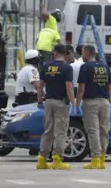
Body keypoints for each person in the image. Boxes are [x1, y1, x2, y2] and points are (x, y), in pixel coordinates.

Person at [36, 43, 76, 171]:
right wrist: (74, 103)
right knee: (61, 131)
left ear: (55, 53)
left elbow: (40, 86)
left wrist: (39, 101)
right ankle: (57, 159)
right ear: (65, 53)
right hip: (61, 103)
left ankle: (42, 159)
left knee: (48, 130)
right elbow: (69, 87)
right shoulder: (67, 68)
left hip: (48, 101)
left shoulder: (46, 66)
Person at [76, 45, 111, 170]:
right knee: (104, 130)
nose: (81, 55)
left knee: (93, 131)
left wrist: (77, 103)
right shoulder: (104, 66)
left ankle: (95, 159)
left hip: (91, 102)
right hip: (104, 102)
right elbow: (110, 86)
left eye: (82, 52)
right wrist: (108, 100)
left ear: (87, 53)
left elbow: (82, 87)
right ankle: (102, 158)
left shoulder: (85, 67)